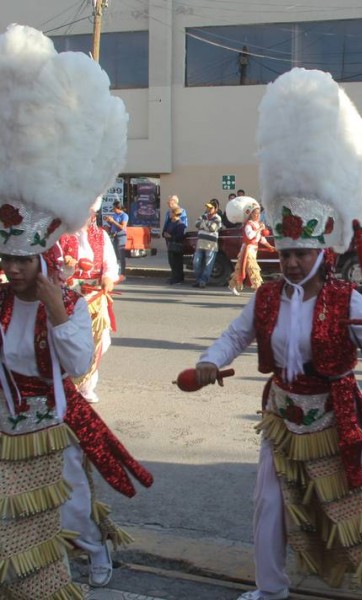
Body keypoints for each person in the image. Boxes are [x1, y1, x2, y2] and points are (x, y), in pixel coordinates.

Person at [192, 68, 362, 600]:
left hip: (335, 410)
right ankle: (271, 588)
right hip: (282, 412)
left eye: (300, 253)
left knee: (359, 491)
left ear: (321, 251)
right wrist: (210, 362)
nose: (290, 262)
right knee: (267, 498)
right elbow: (235, 336)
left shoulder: (346, 298)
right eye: (284, 253)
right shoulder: (266, 296)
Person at [0, 24, 153, 597]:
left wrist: (57, 305)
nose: (14, 270)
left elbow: (75, 356)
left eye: (22, 261)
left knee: (69, 500)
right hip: (6, 420)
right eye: (7, 261)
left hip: (50, 417)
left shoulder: (54, 301)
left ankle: (92, 552)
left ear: (38, 258)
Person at [62, 207, 120, 404]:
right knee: (70, 342)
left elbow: (111, 264)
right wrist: (68, 266)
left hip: (95, 297)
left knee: (101, 341)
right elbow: (52, 267)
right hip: (68, 296)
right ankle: (67, 385)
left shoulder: (101, 235)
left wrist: (108, 278)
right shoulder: (61, 235)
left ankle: (86, 386)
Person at [228, 201, 274, 295]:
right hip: (247, 250)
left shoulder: (258, 224)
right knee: (253, 269)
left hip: (254, 250)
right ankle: (258, 289)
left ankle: (232, 285)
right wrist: (259, 229)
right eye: (255, 213)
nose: (257, 215)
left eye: (258, 214)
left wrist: (269, 246)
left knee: (240, 268)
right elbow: (250, 236)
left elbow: (260, 238)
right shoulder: (249, 224)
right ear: (251, 214)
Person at [192, 198, 222, 288]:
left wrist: (203, 224)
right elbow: (196, 224)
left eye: (211, 208)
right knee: (196, 262)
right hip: (200, 242)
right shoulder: (203, 215)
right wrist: (207, 225)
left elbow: (213, 228)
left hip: (211, 244)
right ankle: (198, 280)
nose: (209, 210)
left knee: (208, 264)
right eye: (208, 207)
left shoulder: (217, 218)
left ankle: (203, 281)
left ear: (216, 209)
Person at [103, 200, 128, 277]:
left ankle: (123, 273)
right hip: (114, 236)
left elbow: (122, 227)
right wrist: (108, 221)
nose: (113, 210)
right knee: (114, 254)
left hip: (121, 236)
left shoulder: (124, 216)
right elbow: (113, 225)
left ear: (118, 208)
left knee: (121, 254)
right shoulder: (114, 215)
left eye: (114, 208)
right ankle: (115, 271)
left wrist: (113, 221)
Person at [164, 205, 187, 285]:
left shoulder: (180, 224)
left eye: (171, 212)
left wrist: (171, 236)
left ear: (174, 213)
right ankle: (174, 277)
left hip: (177, 246)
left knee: (177, 263)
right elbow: (165, 231)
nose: (170, 214)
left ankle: (178, 279)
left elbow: (180, 236)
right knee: (172, 262)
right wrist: (165, 234)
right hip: (170, 245)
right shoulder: (171, 222)